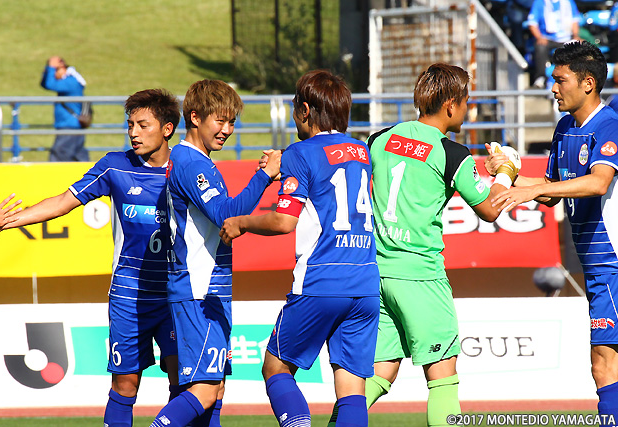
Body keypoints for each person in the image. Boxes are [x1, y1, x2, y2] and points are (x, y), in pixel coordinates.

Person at [323, 63, 515, 427]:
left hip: (376, 275)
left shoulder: (380, 139)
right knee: (442, 377)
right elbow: (490, 209)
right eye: (466, 101)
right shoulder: (452, 153)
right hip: (420, 275)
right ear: (451, 105)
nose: (468, 109)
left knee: (379, 372)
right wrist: (505, 171)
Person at [4, 89, 182, 426]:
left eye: (143, 125)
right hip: (129, 295)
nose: (133, 132)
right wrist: (6, 222)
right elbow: (62, 202)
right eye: (130, 124)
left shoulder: (187, 168)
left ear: (167, 129)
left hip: (177, 294)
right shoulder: (115, 166)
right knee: (125, 385)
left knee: (184, 383)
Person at [219, 69, 380, 427]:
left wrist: (241, 222)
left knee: (275, 367)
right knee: (352, 387)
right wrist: (289, 168)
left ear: (305, 110)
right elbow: (329, 171)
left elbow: (283, 221)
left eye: (295, 108)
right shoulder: (361, 151)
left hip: (322, 281)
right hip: (366, 283)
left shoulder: (299, 153)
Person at [488, 41, 618, 422]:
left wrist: (533, 190)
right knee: (606, 362)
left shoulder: (609, 125)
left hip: (612, 263)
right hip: (596, 267)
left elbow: (597, 182)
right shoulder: (564, 128)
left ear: (588, 83)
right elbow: (550, 189)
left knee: (603, 363)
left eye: (561, 80)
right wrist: (509, 172)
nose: (553, 88)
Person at [149, 80, 281, 427]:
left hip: (205, 289)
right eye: (220, 121)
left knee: (214, 389)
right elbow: (227, 215)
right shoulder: (192, 163)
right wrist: (264, 176)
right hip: (198, 290)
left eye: (232, 122)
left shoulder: (195, 161)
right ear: (195, 117)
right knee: (206, 390)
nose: (227, 130)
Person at [41, 56, 89, 162]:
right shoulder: (72, 80)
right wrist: (48, 69)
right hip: (71, 125)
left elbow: (50, 84)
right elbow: (44, 84)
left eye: (55, 70)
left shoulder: (70, 82)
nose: (53, 74)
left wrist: (51, 67)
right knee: (78, 155)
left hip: (69, 126)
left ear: (63, 68)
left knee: (59, 154)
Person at [527, 0, 581, 88]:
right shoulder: (539, 2)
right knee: (540, 47)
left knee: (578, 46)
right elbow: (532, 23)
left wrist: (575, 35)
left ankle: (576, 77)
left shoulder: (569, 2)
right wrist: (539, 37)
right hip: (547, 38)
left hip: (566, 38)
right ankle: (540, 78)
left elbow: (574, 21)